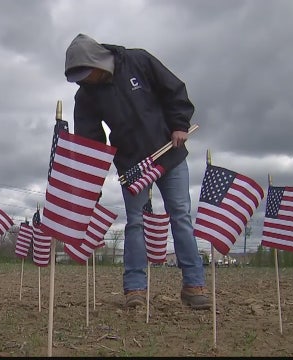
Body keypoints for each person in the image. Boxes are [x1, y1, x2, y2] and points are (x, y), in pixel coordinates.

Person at [64, 33, 210, 310]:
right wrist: (90, 180)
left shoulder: (138, 61)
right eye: (78, 77)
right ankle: (135, 289)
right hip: (132, 165)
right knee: (135, 222)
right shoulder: (85, 95)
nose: (85, 79)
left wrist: (180, 124)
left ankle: (194, 285)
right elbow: (90, 139)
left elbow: (173, 90)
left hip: (170, 152)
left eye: (86, 73)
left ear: (99, 62)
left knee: (180, 215)